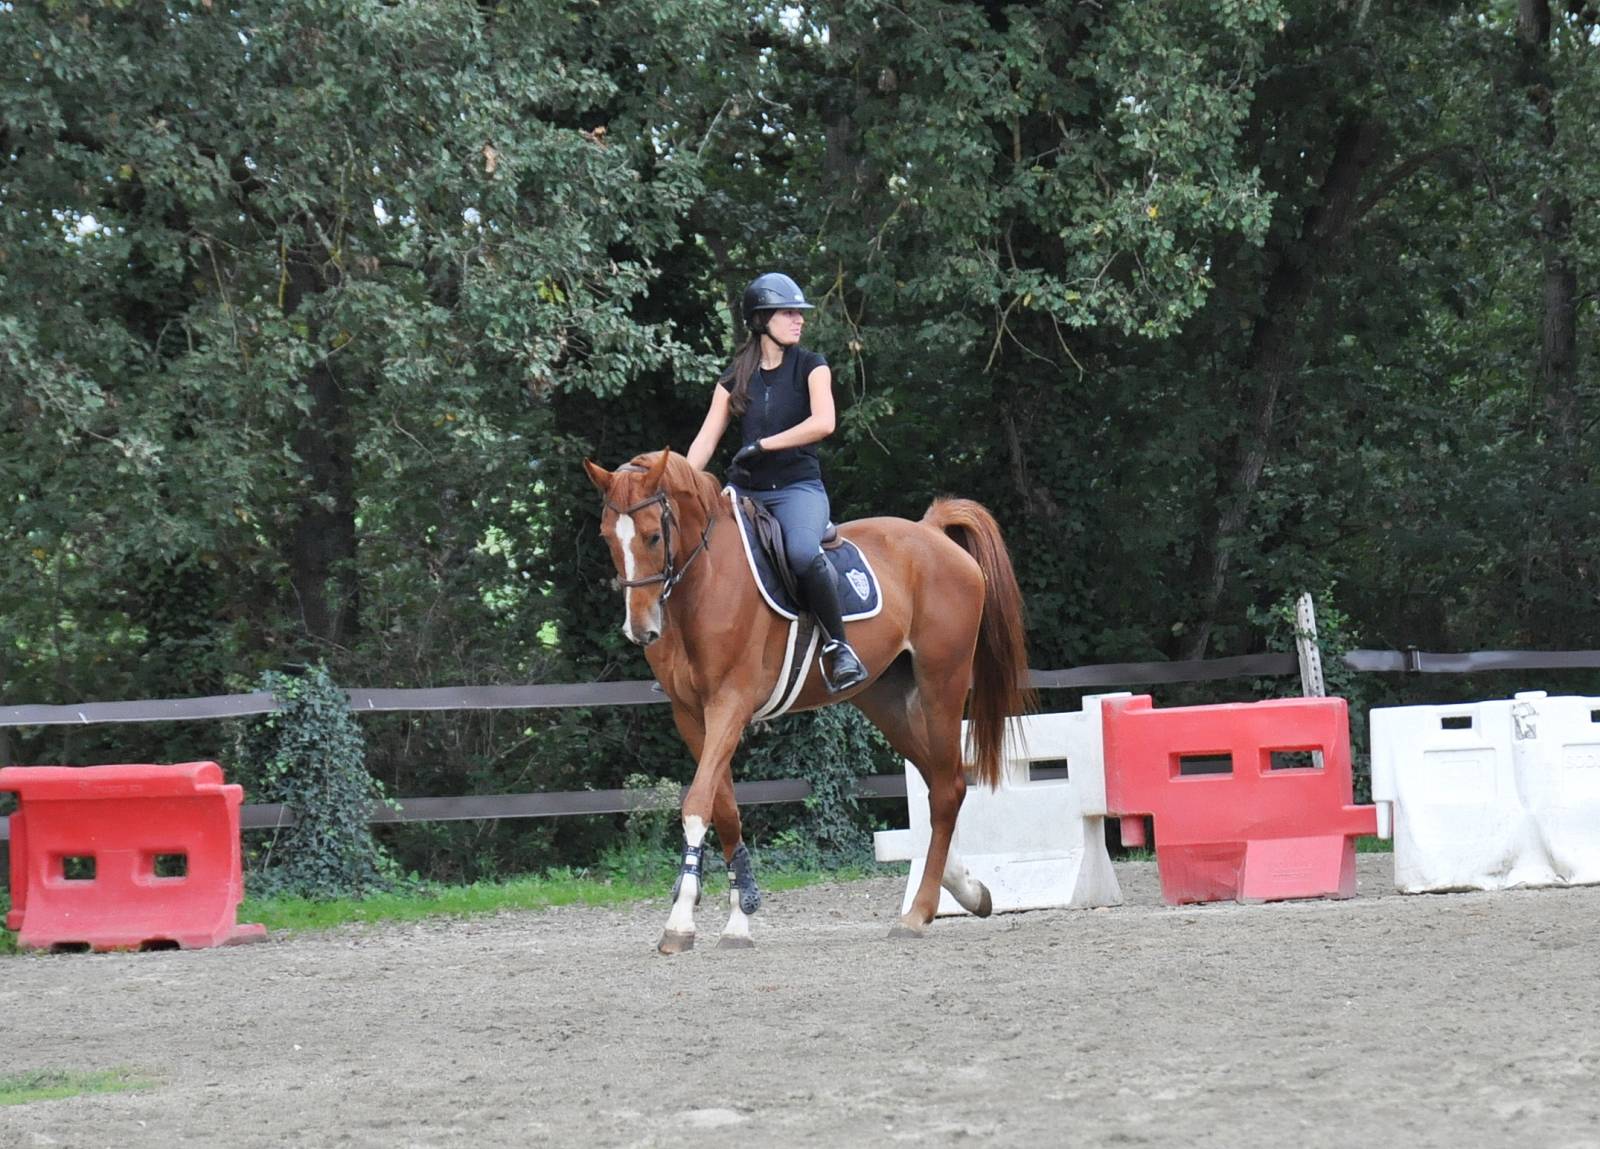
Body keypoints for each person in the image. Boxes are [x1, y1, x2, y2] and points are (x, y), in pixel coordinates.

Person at [685, 272, 869, 692]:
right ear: (761, 319)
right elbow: (705, 440)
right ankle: (691, 654)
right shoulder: (734, 377)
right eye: (789, 313)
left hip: (796, 490)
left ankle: (838, 647)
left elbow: (824, 422)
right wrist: (675, 481)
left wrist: (764, 444)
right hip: (744, 493)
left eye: (799, 314)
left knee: (803, 554)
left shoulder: (812, 365)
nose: (799, 320)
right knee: (699, 551)